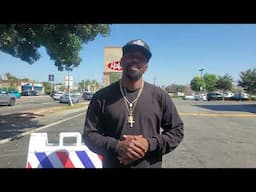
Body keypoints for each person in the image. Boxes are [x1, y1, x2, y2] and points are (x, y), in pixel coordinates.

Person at [82, 39, 184, 168]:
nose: (135, 60)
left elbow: (177, 131)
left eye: (141, 58)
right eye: (131, 56)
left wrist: (148, 144)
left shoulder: (159, 96)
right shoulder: (101, 97)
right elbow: (89, 135)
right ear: (122, 62)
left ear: (146, 67)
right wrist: (117, 146)